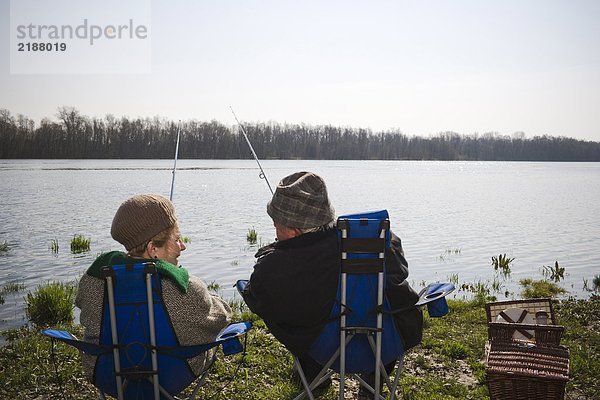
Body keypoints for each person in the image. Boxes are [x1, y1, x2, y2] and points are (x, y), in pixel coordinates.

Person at [241, 171, 423, 396]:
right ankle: (373, 387)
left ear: (293, 228)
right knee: (383, 305)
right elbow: (400, 271)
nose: (275, 233)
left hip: (324, 351)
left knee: (294, 316)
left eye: (276, 225)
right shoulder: (374, 239)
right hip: (385, 345)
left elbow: (258, 293)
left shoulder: (280, 265)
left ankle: (312, 377)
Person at [76, 194, 231, 381]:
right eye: (177, 239)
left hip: (105, 373)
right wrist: (211, 297)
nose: (183, 247)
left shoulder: (94, 279)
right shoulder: (185, 287)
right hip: (172, 373)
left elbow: (83, 310)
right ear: (153, 249)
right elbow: (220, 318)